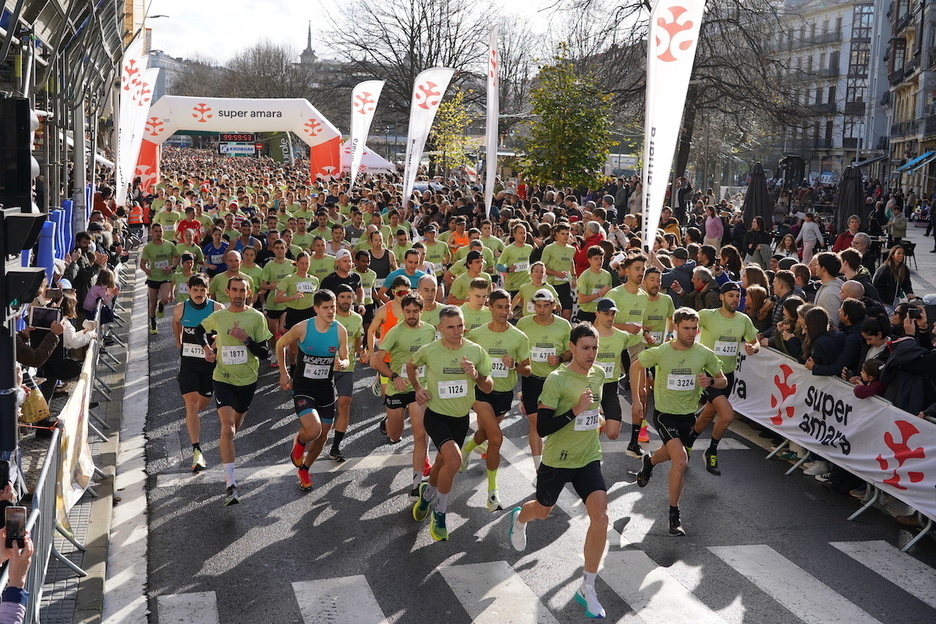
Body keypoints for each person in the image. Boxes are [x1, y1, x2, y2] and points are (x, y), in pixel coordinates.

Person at [507, 323, 611, 619]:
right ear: (572, 347)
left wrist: (596, 416)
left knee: (601, 518)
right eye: (585, 348)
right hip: (558, 459)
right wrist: (576, 411)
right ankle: (519, 518)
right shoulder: (557, 379)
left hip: (588, 457)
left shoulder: (599, 374)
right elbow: (543, 427)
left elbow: (595, 408)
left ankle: (587, 587)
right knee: (542, 511)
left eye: (595, 347)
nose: (591, 353)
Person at [631, 307, 727, 536]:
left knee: (668, 453)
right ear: (675, 327)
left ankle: (650, 463)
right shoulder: (661, 352)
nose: (691, 333)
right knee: (681, 461)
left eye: (695, 328)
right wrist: (637, 399)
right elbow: (636, 366)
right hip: (664, 415)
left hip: (687, 416)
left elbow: (722, 380)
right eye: (686, 328)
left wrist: (711, 380)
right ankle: (674, 515)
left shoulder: (703, 353)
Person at [410, 306, 493, 541]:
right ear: (440, 328)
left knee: (440, 465)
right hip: (436, 416)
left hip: (460, 418)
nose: (457, 331)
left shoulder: (475, 351)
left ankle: (426, 496)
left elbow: (488, 387)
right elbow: (411, 365)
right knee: (455, 461)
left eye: (460, 326)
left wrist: (475, 375)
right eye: (450, 327)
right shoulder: (430, 350)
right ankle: (440, 512)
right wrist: (418, 388)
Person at [196, 276, 272, 506]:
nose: (238, 294)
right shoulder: (219, 316)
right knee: (227, 430)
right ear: (227, 292)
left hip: (248, 380)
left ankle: (225, 454)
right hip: (223, 378)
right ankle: (231, 484)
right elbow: (198, 330)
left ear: (248, 293)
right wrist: (207, 349)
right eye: (235, 290)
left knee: (233, 430)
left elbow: (265, 353)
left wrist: (246, 339)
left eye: (243, 291)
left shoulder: (257, 317)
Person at [463, 289, 532, 511]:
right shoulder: (477, 334)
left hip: (504, 394)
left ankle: (466, 449)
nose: (505, 311)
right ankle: (493, 493)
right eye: (500, 307)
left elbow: (528, 370)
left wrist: (514, 365)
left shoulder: (519, 337)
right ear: (490, 308)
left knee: (484, 433)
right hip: (481, 393)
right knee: (495, 437)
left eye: (507, 306)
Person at [277, 289, 349, 491]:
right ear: (316, 309)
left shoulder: (340, 330)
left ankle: (305, 469)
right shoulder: (303, 328)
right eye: (326, 307)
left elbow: (346, 357)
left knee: (323, 437)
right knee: (314, 430)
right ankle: (299, 442)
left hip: (326, 388)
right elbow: (281, 343)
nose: (331, 311)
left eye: (333, 307)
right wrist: (283, 372)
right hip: (303, 388)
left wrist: (342, 362)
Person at [685, 283, 759, 475]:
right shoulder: (708, 315)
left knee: (708, 415)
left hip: (728, 376)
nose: (735, 299)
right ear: (722, 297)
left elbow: (754, 341)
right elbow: (686, 323)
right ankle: (711, 451)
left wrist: (754, 348)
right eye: (731, 295)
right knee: (727, 415)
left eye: (738, 296)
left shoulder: (743, 320)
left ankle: (688, 442)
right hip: (707, 373)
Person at [371, 292, 436, 499]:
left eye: (415, 311)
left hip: (419, 389)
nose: (411, 315)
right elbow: (377, 362)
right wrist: (394, 376)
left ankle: (417, 483)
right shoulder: (395, 332)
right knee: (395, 435)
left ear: (421, 311)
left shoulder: (430, 331)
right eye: (407, 311)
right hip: (397, 388)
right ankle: (389, 422)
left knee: (420, 435)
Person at [172, 274, 222, 472]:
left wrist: (213, 346)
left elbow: (224, 330)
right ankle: (197, 451)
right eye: (195, 290)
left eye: (203, 290)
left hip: (209, 364)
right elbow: (176, 322)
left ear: (208, 290)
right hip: (189, 363)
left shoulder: (217, 309)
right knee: (190, 404)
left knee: (203, 404)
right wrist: (178, 340)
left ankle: (197, 449)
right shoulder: (180, 308)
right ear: (189, 290)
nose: (199, 294)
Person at [330, 284, 364, 462]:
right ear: (336, 299)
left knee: (344, 403)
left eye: (348, 297)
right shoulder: (328, 317)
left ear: (353, 299)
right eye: (342, 297)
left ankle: (335, 447)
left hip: (346, 367)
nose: (345, 300)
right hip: (326, 368)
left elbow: (358, 340)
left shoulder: (357, 319)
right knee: (325, 410)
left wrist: (363, 351)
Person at [140, 223, 181, 334]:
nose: (158, 233)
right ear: (152, 233)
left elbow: (178, 257)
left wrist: (172, 266)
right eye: (156, 231)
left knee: (165, 298)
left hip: (166, 276)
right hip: (153, 277)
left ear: (163, 232)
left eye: (160, 231)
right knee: (152, 302)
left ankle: (162, 305)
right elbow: (142, 263)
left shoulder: (170, 245)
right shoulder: (148, 247)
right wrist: (146, 270)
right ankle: (153, 323)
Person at [541, 222, 576, 321]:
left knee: (567, 312)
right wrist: (556, 273)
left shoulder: (572, 249)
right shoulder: (549, 248)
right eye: (563, 234)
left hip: (565, 284)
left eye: (567, 234)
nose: (565, 236)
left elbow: (571, 262)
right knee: (550, 315)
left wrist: (574, 276)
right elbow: (542, 267)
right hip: (551, 284)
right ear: (556, 235)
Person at [576, 246, 612, 324]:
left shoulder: (607, 275)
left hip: (602, 313)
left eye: (601, 258)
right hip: (587, 313)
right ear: (589, 260)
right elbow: (581, 299)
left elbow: (609, 295)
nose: (599, 261)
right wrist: (599, 294)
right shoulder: (585, 276)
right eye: (596, 259)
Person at [872, 245, 915, 310]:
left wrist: (909, 293)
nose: (901, 255)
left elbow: (906, 283)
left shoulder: (903, 268)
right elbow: (877, 286)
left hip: (895, 300)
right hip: (885, 301)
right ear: (892, 255)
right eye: (898, 253)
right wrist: (882, 302)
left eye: (903, 253)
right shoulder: (884, 269)